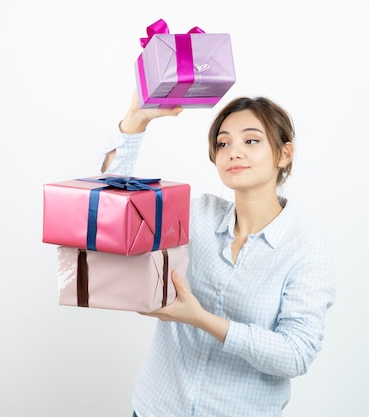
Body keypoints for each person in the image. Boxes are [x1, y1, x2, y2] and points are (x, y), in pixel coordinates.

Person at [99, 92, 336, 417]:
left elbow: (296, 354)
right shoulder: (197, 213)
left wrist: (200, 318)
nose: (233, 151)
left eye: (251, 141)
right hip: (155, 408)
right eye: (223, 144)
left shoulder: (307, 251)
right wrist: (135, 120)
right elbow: (108, 209)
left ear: (284, 154)